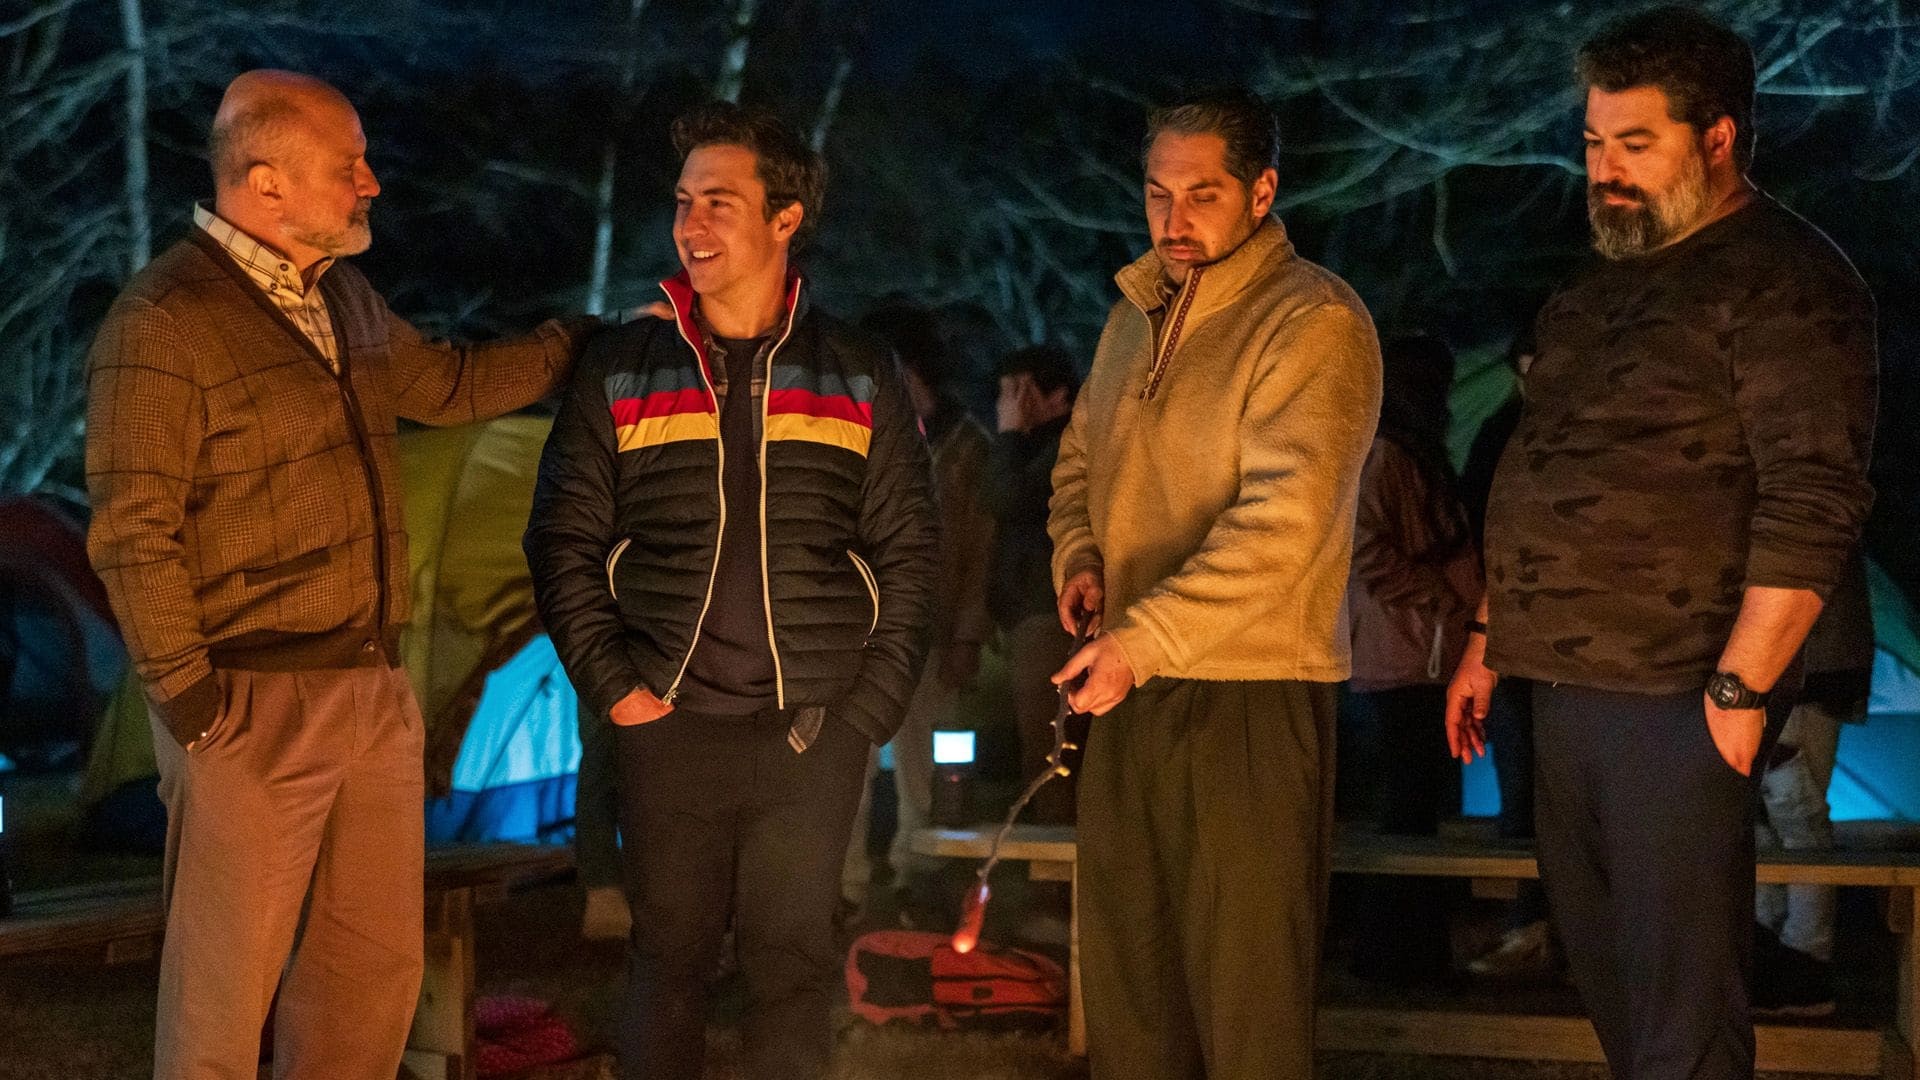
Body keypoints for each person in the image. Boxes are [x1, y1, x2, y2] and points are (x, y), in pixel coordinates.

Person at [83, 70, 595, 1080]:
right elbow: (132, 531)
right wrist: (193, 707)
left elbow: (443, 385)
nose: (370, 183)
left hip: (372, 687)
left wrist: (578, 345)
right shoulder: (165, 322)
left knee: (367, 976)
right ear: (266, 180)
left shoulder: (341, 298)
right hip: (248, 698)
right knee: (224, 992)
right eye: (346, 165)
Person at [1449, 9, 1878, 1077]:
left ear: (1719, 137)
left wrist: (1741, 689)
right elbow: (1546, 469)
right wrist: (1488, 639)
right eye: (1595, 143)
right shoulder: (1595, 291)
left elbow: (1813, 495)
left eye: (1635, 144)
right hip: (1564, 684)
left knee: (1682, 997)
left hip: (1679, 691)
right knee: (1610, 977)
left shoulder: (1782, 278)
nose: (1605, 171)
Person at [522, 101, 937, 1080]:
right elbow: (562, 540)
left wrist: (866, 712)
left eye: (718, 201)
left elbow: (913, 554)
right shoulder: (623, 367)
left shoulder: (858, 372)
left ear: (786, 219)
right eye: (682, 201)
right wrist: (618, 690)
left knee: (790, 965)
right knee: (667, 962)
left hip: (812, 731)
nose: (691, 224)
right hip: (668, 725)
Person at [1048, 88, 1382, 1079]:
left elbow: (1285, 526)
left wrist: (1143, 639)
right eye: (1158, 193)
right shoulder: (1132, 316)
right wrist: (1081, 556)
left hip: (1252, 689)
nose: (1174, 217)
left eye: (1202, 193)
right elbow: (1078, 462)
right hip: (1128, 679)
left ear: (1262, 191)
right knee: (1130, 980)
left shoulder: (1312, 320)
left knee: (1247, 994)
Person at [839, 303, 991, 914]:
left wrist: (967, 635)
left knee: (924, 762)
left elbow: (979, 550)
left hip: (930, 629)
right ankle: (845, 882)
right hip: (860, 628)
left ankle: (918, 875)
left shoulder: (966, 447)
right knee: (846, 761)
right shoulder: (860, 436)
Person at [1343, 334, 1480, 984]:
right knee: (1407, 807)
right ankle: (1393, 955)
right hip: (1405, 654)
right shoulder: (1387, 454)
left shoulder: (1408, 451)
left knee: (1417, 806)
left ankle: (1410, 953)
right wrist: (1440, 597)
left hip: (1422, 651)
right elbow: (1363, 547)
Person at [1753, 547, 1873, 1017]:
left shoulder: (1810, 527)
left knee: (1794, 814)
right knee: (1772, 817)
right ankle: (1777, 949)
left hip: (1806, 663)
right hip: (1799, 661)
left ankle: (1804, 960)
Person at [987, 343, 1082, 825]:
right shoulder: (1034, 447)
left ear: (1057, 395)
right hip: (1030, 613)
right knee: (1040, 743)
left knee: (1050, 748)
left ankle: (1054, 858)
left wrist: (1007, 435)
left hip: (1049, 613)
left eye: (1018, 392)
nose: (1007, 405)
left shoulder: (1067, 445)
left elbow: (1006, 498)